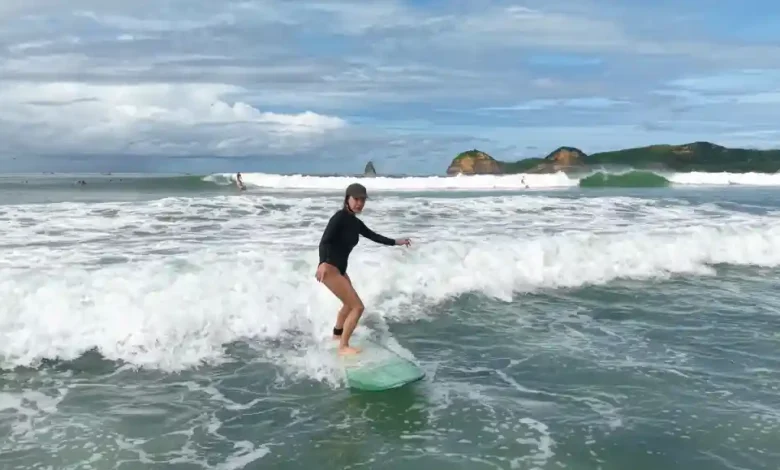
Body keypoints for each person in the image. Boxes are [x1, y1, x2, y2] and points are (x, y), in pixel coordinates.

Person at [316, 182, 411, 355]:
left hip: (340, 270)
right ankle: (343, 347)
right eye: (356, 199)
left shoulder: (355, 223)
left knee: (348, 305)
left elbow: (374, 236)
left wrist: (397, 242)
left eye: (362, 200)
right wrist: (322, 262)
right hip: (329, 269)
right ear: (347, 199)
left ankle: (337, 336)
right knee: (358, 307)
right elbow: (325, 241)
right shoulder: (339, 217)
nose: (359, 203)